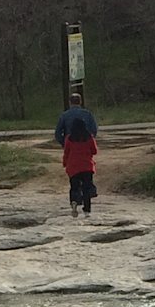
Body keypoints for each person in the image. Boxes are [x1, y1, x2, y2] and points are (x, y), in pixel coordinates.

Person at [53, 88, 99, 216]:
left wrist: (65, 144)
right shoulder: (88, 114)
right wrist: (88, 143)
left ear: (70, 102)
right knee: (86, 183)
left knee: (74, 183)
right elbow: (94, 130)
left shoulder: (64, 115)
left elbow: (57, 133)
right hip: (86, 154)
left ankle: (74, 200)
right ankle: (87, 207)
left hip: (71, 152)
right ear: (80, 101)